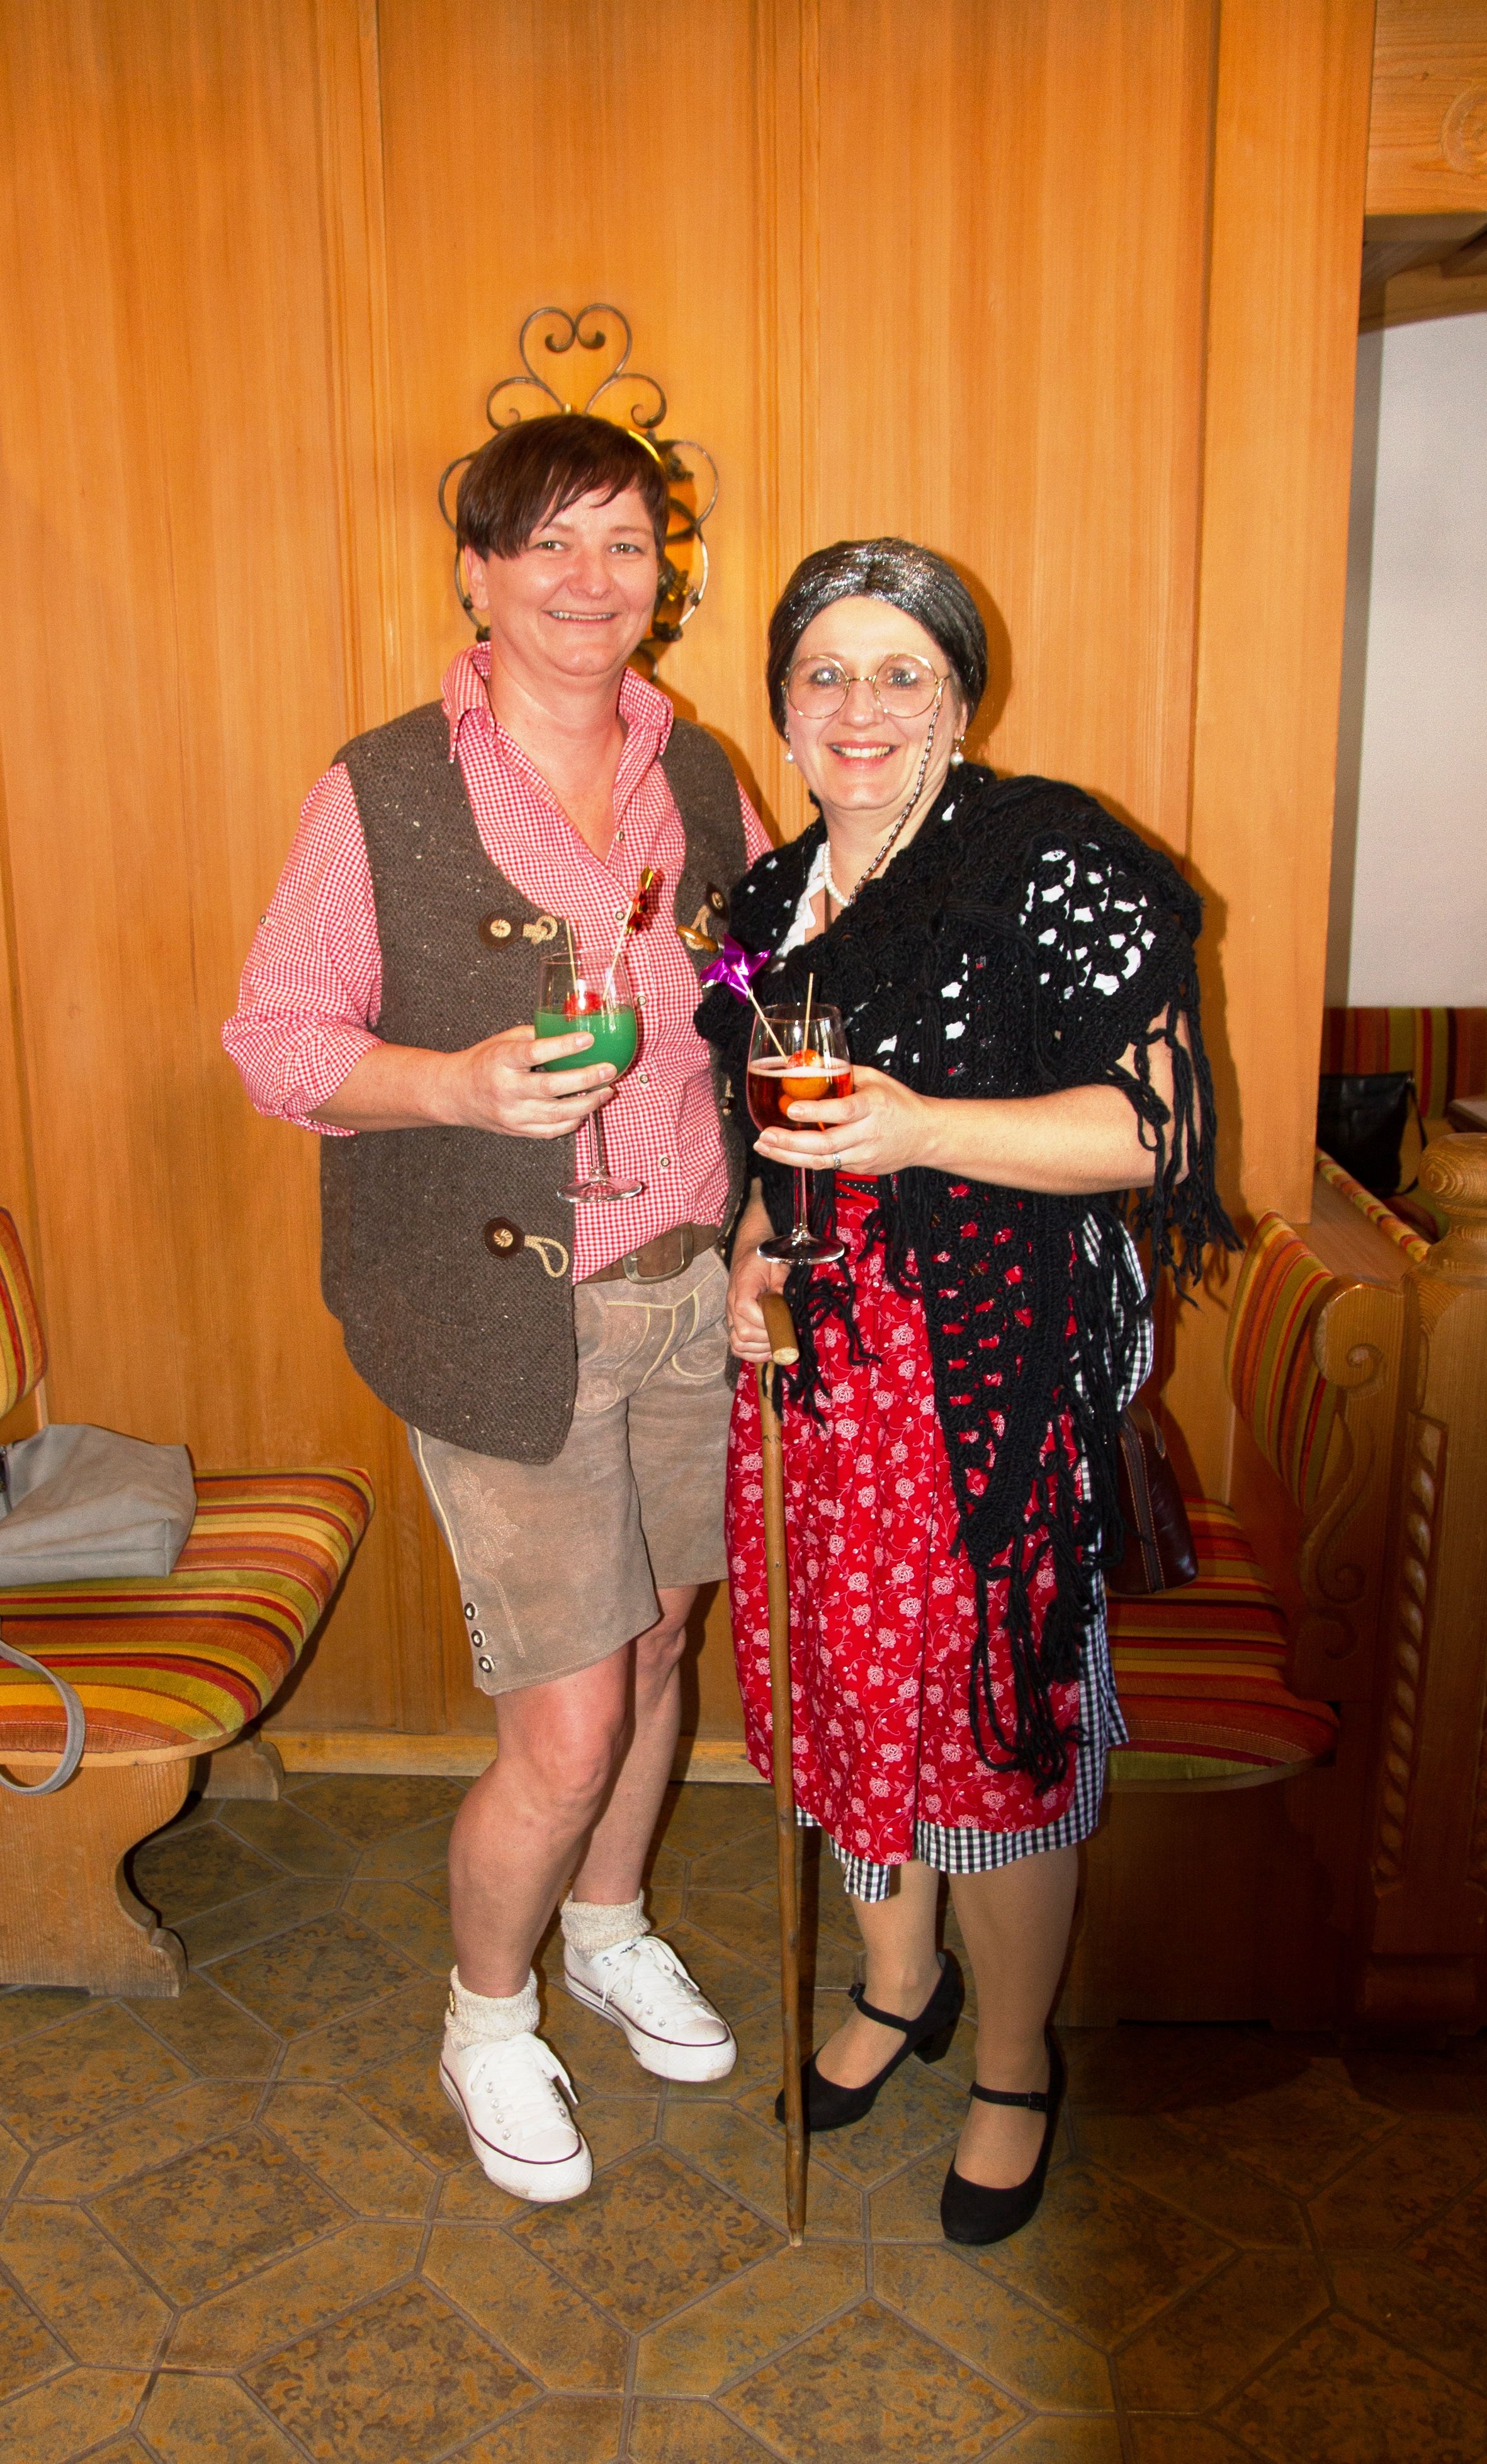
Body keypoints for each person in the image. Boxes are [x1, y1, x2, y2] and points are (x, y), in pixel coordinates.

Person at [225, 413, 771, 2204]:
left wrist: (773, 1221)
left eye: (623, 543)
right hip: (497, 1309)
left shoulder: (701, 775)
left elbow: (763, 1002)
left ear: (661, 576)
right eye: (546, 543)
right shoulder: (381, 787)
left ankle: (605, 1927)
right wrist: (455, 1086)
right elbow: (275, 1040)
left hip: (689, 1288)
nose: (587, 580)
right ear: (475, 572)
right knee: (567, 1719)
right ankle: (485, 2014)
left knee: (663, 1648)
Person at [698, 538, 1233, 2245]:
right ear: (782, 705)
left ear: (960, 697)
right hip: (820, 1390)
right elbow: (769, 1156)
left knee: (991, 1737)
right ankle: (895, 1980)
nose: (858, 708)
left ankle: (1011, 2063)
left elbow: (1151, 1132)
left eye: (900, 673)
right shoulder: (761, 907)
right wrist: (753, 1259)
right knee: (850, 1701)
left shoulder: (1046, 855)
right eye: (824, 674)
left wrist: (919, 1126)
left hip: (989, 1389)